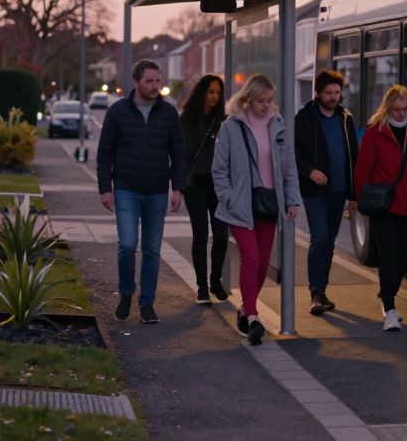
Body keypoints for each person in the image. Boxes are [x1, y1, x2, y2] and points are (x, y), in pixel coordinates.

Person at [212, 74, 301, 345]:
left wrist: (291, 199)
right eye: (261, 100)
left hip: (268, 202)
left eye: (270, 100)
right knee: (250, 257)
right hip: (241, 205)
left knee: (262, 263)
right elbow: (219, 169)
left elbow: (288, 166)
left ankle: (243, 309)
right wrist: (228, 198)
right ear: (248, 99)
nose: (267, 105)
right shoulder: (231, 127)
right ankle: (252, 317)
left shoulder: (278, 125)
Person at [97, 59, 186, 325]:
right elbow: (104, 153)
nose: (155, 86)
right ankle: (126, 294)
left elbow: (179, 154)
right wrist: (105, 189)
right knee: (127, 245)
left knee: (151, 249)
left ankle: (147, 303)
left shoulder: (169, 114)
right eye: (149, 81)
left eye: (158, 80)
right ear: (135, 82)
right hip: (126, 189)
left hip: (157, 191)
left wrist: (177, 188)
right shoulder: (117, 112)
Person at [352, 84, 407, 332]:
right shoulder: (375, 132)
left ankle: (386, 295)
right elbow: (363, 170)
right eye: (396, 109)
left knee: (402, 258)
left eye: (405, 109)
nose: (401, 114)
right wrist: (360, 199)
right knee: (388, 255)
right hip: (383, 206)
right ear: (387, 108)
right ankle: (390, 309)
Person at [293, 69, 359, 316]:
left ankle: (322, 291)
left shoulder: (345, 118)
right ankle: (315, 292)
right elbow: (293, 153)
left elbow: (354, 156)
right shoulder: (304, 118)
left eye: (337, 92)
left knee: (329, 242)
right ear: (317, 93)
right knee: (319, 238)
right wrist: (310, 172)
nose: (333, 97)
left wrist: (354, 195)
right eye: (328, 93)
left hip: (339, 191)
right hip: (314, 190)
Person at [179, 74, 230, 304]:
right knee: (200, 234)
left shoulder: (224, 122)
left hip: (218, 185)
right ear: (201, 92)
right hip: (195, 185)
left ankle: (215, 279)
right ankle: (202, 288)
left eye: (218, 93)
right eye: (211, 92)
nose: (214, 97)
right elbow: (180, 155)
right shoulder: (187, 120)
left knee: (221, 235)